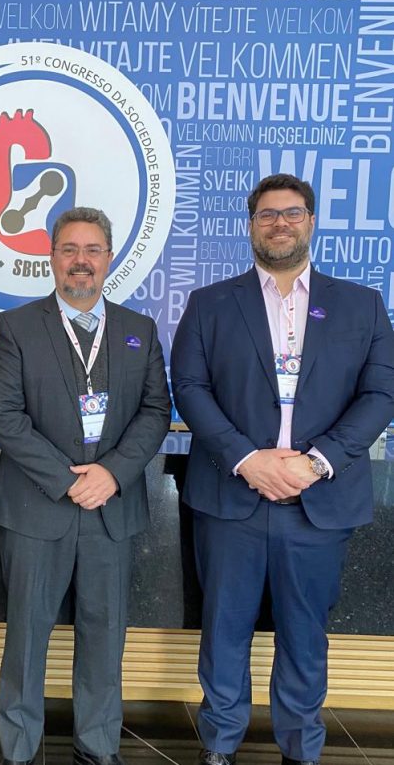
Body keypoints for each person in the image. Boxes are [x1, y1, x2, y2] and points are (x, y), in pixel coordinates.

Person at [171, 173, 394, 765]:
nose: (280, 224)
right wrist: (247, 459)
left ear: (311, 221)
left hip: (318, 500)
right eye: (267, 214)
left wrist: (317, 462)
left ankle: (301, 748)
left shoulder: (361, 304)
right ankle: (219, 745)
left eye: (292, 213)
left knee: (304, 634)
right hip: (232, 497)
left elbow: (381, 393)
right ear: (251, 225)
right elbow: (189, 387)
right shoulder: (210, 303)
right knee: (224, 629)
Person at [0, 207, 171, 765]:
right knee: (26, 638)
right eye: (69, 249)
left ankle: (98, 746)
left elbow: (156, 411)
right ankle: (19, 750)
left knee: (105, 635)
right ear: (51, 257)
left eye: (92, 250)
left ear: (109, 258)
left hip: (111, 510)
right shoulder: (15, 327)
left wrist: (111, 473)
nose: (80, 260)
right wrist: (68, 481)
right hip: (37, 509)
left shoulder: (139, 330)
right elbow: (3, 414)